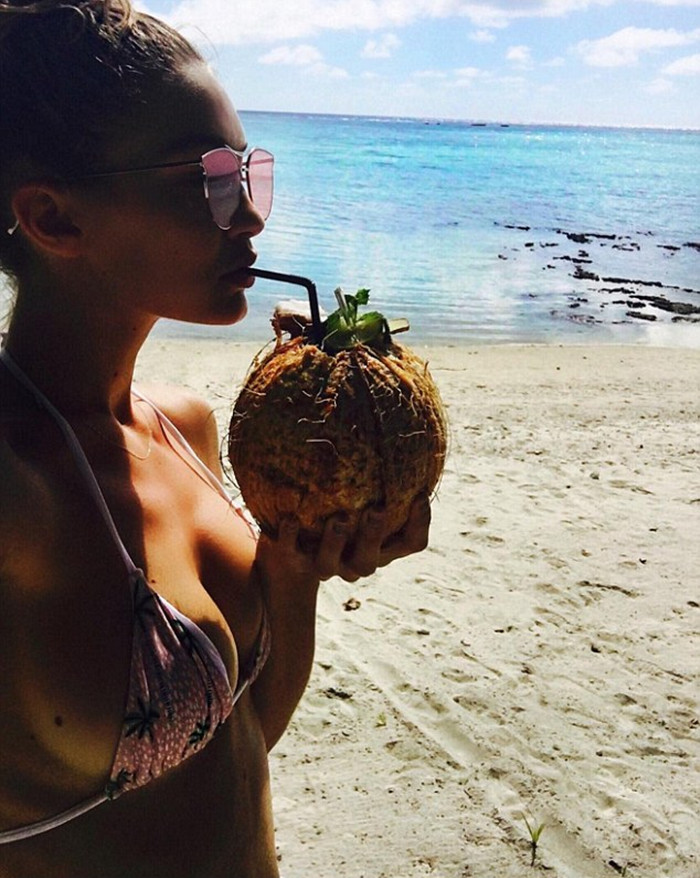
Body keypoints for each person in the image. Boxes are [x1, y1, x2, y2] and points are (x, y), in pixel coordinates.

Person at [0, 1, 431, 875]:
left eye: (248, 172)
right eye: (208, 179)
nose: (250, 218)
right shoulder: (15, 490)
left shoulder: (187, 427)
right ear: (54, 219)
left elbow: (238, 740)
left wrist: (297, 574)